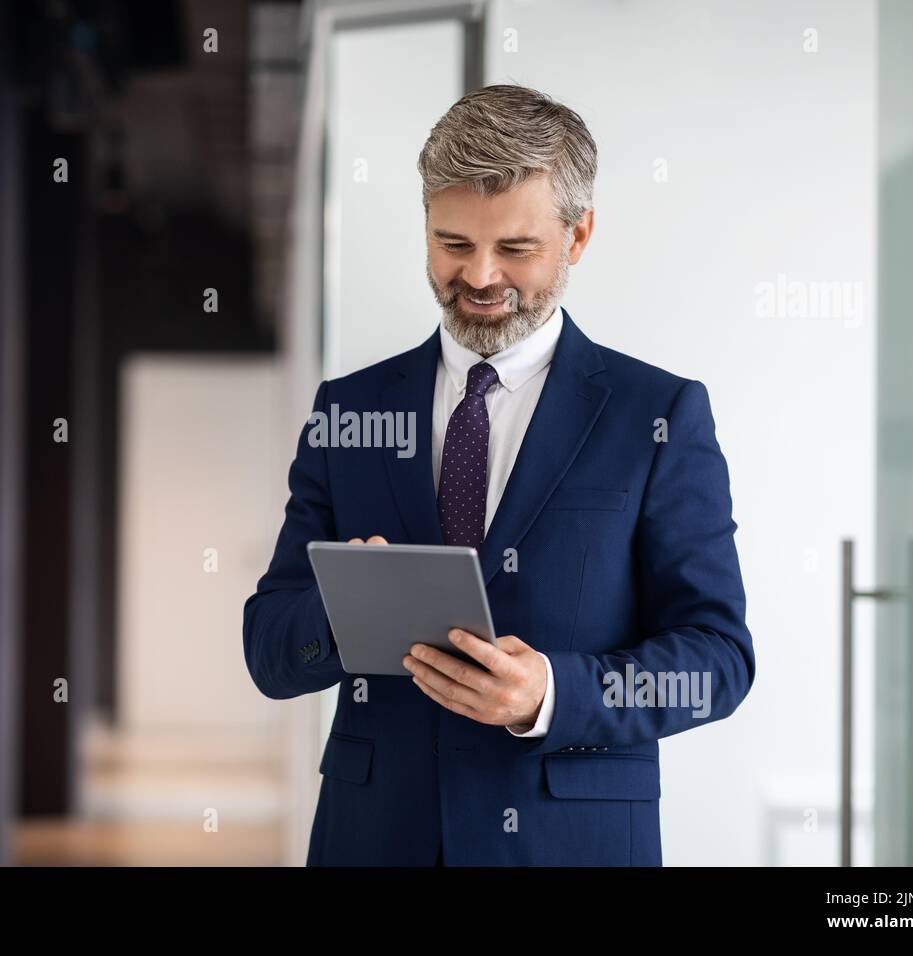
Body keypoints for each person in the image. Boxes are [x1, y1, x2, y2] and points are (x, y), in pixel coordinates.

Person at [243, 84, 755, 866]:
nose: (479, 277)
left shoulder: (659, 416)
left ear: (578, 235)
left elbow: (718, 661)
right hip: (375, 837)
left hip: (570, 843)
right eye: (453, 244)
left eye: (515, 249)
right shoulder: (347, 411)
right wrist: (342, 613)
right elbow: (268, 649)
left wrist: (552, 692)